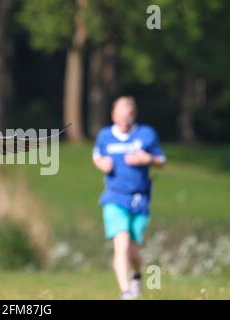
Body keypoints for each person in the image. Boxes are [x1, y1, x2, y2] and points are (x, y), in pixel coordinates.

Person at [92, 96, 166, 300]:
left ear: (134, 116)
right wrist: (101, 164)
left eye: (128, 117)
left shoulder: (146, 135)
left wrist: (147, 159)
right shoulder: (105, 136)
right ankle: (126, 292)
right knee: (121, 244)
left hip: (140, 200)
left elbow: (161, 161)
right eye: (120, 116)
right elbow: (96, 155)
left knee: (133, 252)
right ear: (113, 115)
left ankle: (136, 276)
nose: (124, 121)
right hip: (114, 197)